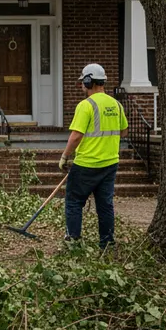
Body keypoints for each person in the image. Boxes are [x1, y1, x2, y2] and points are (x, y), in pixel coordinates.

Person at [59, 64, 128, 248]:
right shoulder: (117, 105)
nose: (82, 86)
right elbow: (124, 132)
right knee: (105, 205)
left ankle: (72, 241)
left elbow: (76, 135)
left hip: (86, 164)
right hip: (110, 163)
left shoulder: (85, 105)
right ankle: (107, 243)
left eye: (83, 82)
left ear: (89, 81)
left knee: (74, 202)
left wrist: (65, 156)